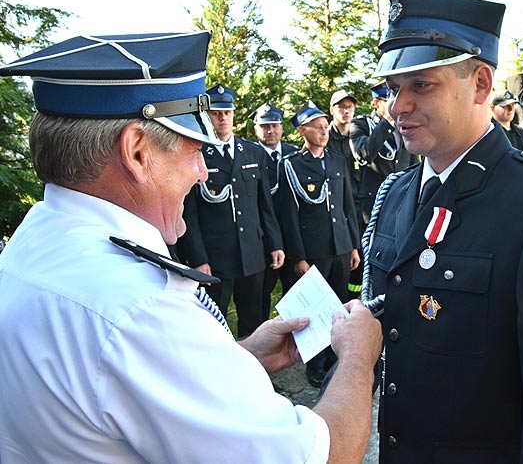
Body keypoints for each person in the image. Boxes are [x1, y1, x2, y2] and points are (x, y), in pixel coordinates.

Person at [0, 32, 383, 463]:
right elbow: (321, 457)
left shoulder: (34, 244)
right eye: (195, 148)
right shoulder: (142, 308)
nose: (202, 172)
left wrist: (235, 359)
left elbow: (117, 386)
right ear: (138, 152)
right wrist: (357, 355)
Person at [361, 0, 523, 463]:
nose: (398, 106)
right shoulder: (396, 193)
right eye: (394, 89)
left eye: (421, 85)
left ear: (480, 84)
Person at [176, 85, 285, 338]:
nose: (222, 117)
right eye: (216, 112)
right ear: (207, 116)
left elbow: (264, 206)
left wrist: (275, 244)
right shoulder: (197, 154)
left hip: (252, 254)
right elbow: (189, 214)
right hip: (216, 259)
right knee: (213, 324)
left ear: (234, 114)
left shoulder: (253, 152)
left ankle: (257, 373)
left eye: (227, 112)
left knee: (254, 321)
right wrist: (198, 259)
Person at [278, 100, 361, 388]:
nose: (324, 132)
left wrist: (353, 245)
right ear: (303, 130)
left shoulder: (337, 159)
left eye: (326, 127)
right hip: (313, 252)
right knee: (315, 311)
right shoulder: (291, 165)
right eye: (318, 127)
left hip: (340, 247)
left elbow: (347, 205)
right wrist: (298, 256)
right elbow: (289, 215)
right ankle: (315, 364)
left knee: (337, 306)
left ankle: (334, 361)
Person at [249, 102, 298, 319]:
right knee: (260, 295)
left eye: (275, 126)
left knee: (295, 291)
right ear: (256, 129)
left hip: (292, 234)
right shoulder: (249, 155)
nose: (271, 131)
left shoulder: (293, 153)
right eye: (265, 127)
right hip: (263, 237)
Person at [349, 81, 417, 228]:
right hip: (373, 206)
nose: (395, 104)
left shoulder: (405, 125)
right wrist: (386, 121)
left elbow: (413, 164)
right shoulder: (361, 124)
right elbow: (364, 154)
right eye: (389, 100)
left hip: (401, 203)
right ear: (376, 103)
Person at [327, 89, 363, 299]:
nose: (346, 110)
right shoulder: (324, 136)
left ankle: (353, 303)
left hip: (360, 207)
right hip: (337, 210)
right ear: (332, 110)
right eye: (341, 106)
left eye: (349, 106)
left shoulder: (358, 136)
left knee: (359, 267)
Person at [489, 88, 523, 153]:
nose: (510, 110)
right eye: (505, 106)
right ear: (492, 108)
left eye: (513, 105)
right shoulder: (488, 133)